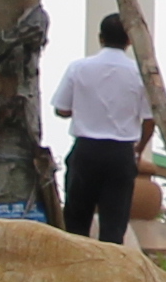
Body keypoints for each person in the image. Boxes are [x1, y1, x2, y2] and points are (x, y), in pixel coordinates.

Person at [49, 14, 149, 244]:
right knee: (114, 226)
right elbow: (149, 119)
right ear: (129, 41)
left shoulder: (79, 68)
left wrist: (85, 107)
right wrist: (139, 148)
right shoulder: (139, 73)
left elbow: (61, 109)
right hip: (121, 152)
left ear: (100, 38)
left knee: (76, 222)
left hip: (86, 150)